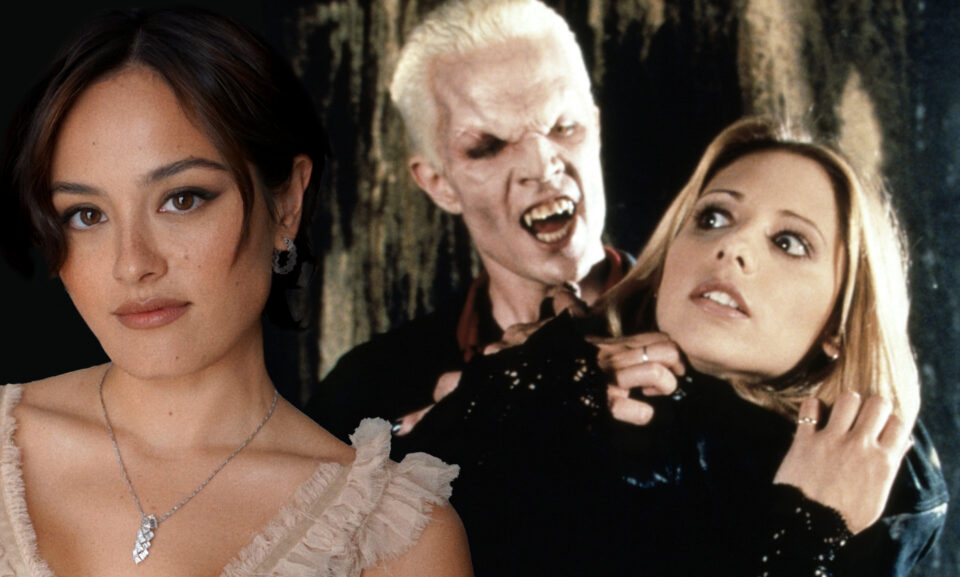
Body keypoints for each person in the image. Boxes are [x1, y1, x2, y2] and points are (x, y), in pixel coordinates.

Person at [0, 7, 472, 576]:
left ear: (286, 203)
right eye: (87, 214)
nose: (133, 264)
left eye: (182, 199)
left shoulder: (395, 541)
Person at [400, 115, 948, 575]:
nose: (733, 244)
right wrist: (505, 399)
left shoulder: (887, 502)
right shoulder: (551, 386)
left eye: (789, 241)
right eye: (713, 217)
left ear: (839, 326)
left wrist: (812, 527)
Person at [304, 0, 652, 451]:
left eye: (564, 127)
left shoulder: (710, 337)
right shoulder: (367, 391)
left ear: (596, 130)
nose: (541, 165)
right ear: (438, 184)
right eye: (487, 147)